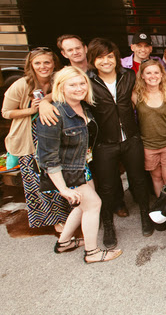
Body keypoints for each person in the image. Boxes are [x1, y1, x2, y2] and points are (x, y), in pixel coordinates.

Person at [36, 66, 122, 263]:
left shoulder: (83, 106)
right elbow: (48, 158)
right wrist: (64, 189)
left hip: (82, 167)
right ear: (61, 87)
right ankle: (92, 253)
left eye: (82, 83)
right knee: (94, 204)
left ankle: (64, 242)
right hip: (67, 172)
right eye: (72, 84)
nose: (79, 88)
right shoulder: (54, 114)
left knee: (83, 206)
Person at [86, 38, 153, 248]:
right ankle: (108, 224)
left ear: (116, 58)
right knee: (106, 186)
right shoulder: (87, 81)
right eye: (100, 57)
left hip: (131, 138)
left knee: (139, 179)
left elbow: (141, 98)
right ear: (93, 60)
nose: (106, 61)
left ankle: (145, 214)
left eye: (109, 56)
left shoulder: (128, 75)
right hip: (104, 143)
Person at [1, 47, 68, 230]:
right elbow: (6, 112)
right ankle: (55, 220)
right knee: (39, 181)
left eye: (47, 62)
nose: (43, 66)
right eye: (37, 63)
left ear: (54, 63)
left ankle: (68, 214)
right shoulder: (22, 84)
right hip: (31, 138)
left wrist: (46, 99)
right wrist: (30, 110)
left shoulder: (58, 81)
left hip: (55, 135)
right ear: (30, 65)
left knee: (59, 176)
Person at [132, 59, 166, 197]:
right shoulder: (136, 95)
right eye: (148, 73)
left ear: (161, 75)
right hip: (148, 145)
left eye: (156, 72)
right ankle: (162, 209)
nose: (152, 76)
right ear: (142, 75)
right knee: (156, 177)